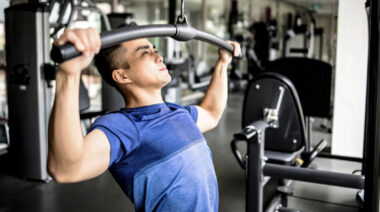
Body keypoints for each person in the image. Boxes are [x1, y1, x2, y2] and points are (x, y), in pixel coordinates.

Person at [48, 27, 241, 212]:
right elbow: (65, 169)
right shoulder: (124, 126)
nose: (159, 57)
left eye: (154, 49)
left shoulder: (179, 112)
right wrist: (69, 74)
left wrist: (223, 62)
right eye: (145, 53)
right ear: (122, 75)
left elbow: (212, 113)